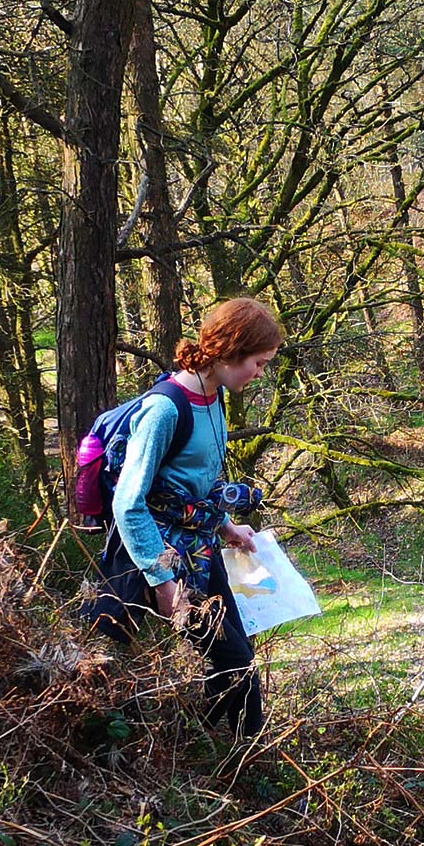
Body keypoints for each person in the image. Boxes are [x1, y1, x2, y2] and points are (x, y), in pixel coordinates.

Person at [85, 298, 282, 742]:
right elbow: (129, 502)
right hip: (151, 554)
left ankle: (213, 754)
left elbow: (194, 479)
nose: (260, 373)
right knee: (103, 665)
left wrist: (227, 526)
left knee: (237, 662)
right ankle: (199, 763)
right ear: (230, 351)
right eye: (258, 362)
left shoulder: (215, 399)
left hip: (200, 548)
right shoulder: (165, 409)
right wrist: (163, 582)